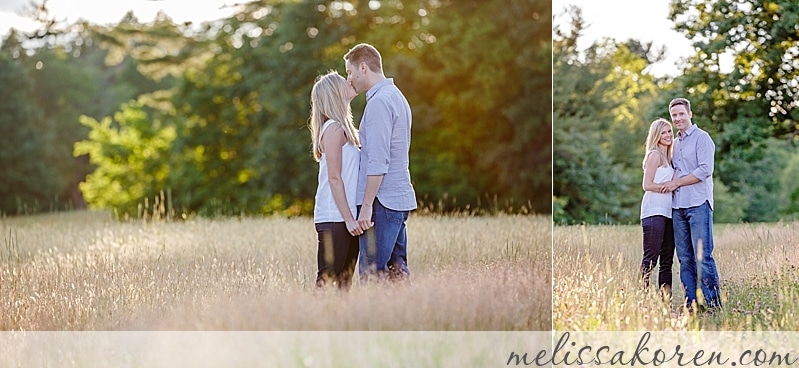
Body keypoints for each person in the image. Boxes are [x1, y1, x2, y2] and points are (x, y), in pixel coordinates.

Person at [343, 43, 417, 281]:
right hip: (396, 198)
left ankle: (377, 318)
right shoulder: (395, 96)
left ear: (363, 67)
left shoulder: (378, 103)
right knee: (397, 272)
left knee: (372, 273)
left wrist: (366, 206)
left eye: (350, 72)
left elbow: (378, 161)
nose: (349, 79)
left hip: (381, 203)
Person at [661, 97, 722, 311]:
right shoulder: (674, 143)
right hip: (678, 206)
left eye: (681, 114)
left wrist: (676, 182)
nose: (677, 118)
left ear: (690, 114)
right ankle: (692, 304)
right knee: (685, 258)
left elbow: (705, 170)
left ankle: (713, 305)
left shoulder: (702, 138)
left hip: (698, 203)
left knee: (702, 256)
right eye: (674, 115)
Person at [309, 71, 362, 289]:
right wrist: (349, 219)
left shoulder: (343, 127)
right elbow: (334, 177)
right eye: (344, 81)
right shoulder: (333, 128)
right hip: (335, 217)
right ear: (334, 93)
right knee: (327, 281)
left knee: (344, 283)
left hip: (346, 217)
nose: (349, 81)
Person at [639, 118, 676, 302]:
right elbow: (646, 184)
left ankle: (665, 304)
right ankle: (644, 301)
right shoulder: (654, 155)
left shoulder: (669, 158)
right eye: (664, 132)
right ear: (656, 135)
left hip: (669, 213)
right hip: (654, 212)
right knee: (650, 259)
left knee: (667, 262)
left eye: (670, 131)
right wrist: (667, 186)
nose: (668, 135)